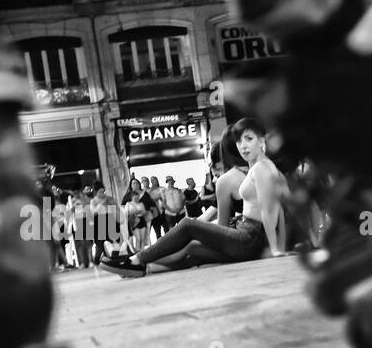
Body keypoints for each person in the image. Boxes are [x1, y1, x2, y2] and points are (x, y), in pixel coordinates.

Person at [100, 118, 282, 276]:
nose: (243, 146)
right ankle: (140, 265)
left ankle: (135, 259)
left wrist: (276, 249)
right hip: (253, 240)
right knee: (193, 248)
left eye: (247, 140)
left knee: (189, 227)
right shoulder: (261, 170)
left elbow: (235, 221)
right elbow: (277, 208)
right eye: (240, 142)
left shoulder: (240, 176)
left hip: (249, 240)